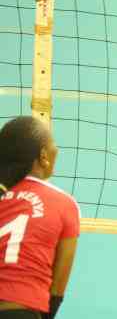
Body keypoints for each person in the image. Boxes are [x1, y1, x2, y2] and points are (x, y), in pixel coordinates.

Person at [0, 116, 80, 319]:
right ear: (44, 155)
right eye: (53, 142)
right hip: (20, 310)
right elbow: (57, 290)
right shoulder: (65, 204)